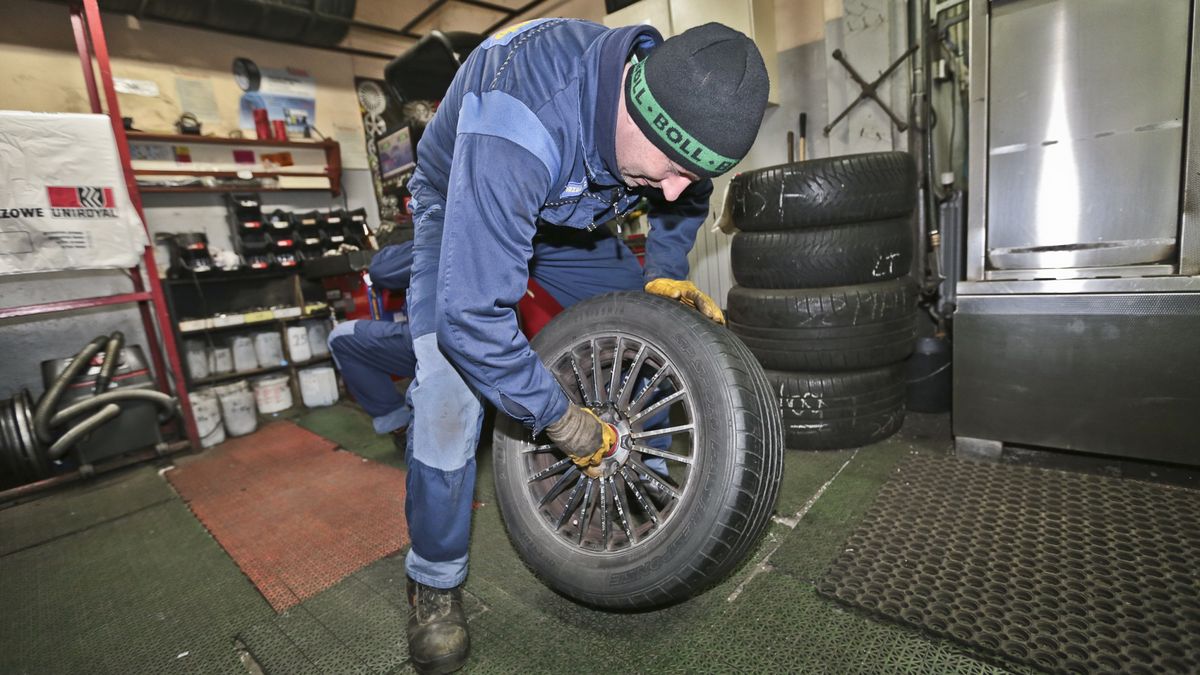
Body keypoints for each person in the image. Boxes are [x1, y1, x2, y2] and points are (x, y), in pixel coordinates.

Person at [401, 18, 768, 674]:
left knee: (647, 334)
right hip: (462, 195)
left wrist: (668, 266)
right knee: (449, 394)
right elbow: (472, 322)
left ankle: (646, 478)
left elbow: (689, 190)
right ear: (635, 109)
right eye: (673, 166)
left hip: (573, 211)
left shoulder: (674, 106)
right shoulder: (519, 121)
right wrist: (565, 422)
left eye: (694, 172)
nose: (679, 186)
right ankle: (433, 579)